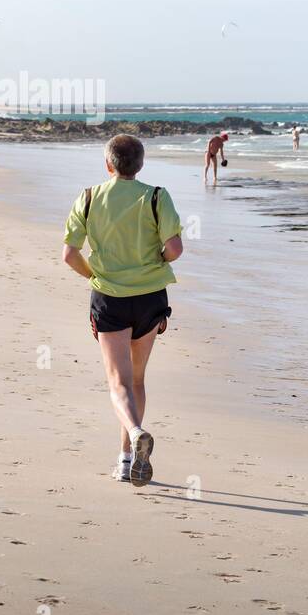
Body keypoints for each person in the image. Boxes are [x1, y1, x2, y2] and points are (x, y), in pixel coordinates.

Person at [62, 135, 184, 488]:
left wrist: (94, 275)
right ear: (141, 165)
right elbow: (175, 248)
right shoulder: (157, 196)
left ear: (108, 165)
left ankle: (133, 437)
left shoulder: (88, 198)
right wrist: (154, 262)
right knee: (137, 380)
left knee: (118, 382)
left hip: (109, 297)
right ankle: (128, 458)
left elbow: (70, 255)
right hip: (150, 297)